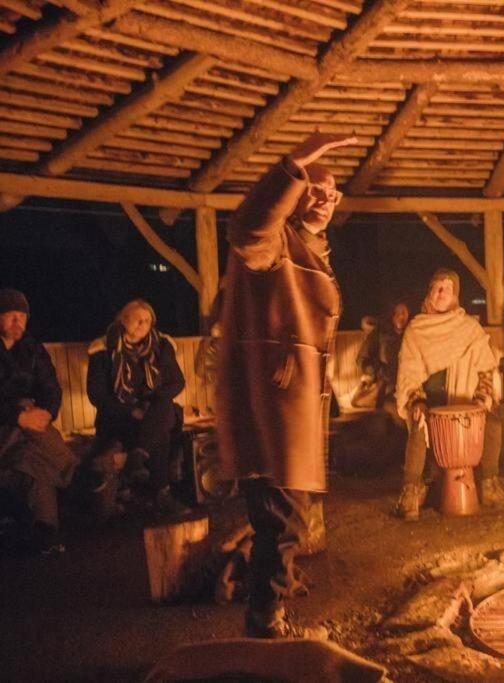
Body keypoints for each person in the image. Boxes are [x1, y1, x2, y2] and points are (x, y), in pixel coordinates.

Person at [216, 131, 357, 639]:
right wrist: (293, 165)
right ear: (293, 195)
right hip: (269, 408)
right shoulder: (276, 241)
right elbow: (247, 231)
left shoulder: (314, 249)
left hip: (293, 407)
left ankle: (253, 588)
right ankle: (264, 620)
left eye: (332, 192)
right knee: (285, 521)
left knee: (282, 519)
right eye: (313, 189)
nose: (323, 198)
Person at [394, 269, 504, 521]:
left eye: (447, 289)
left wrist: (482, 398)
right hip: (430, 402)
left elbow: (486, 369)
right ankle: (410, 493)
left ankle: (490, 485)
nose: (441, 293)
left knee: (492, 422)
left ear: (455, 296)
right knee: (419, 422)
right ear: (429, 292)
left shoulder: (469, 327)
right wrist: (417, 399)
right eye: (437, 288)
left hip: (464, 403)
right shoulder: (416, 329)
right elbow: (408, 373)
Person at [86, 299, 187, 515]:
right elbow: (97, 395)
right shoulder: (104, 349)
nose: (143, 324)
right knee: (160, 432)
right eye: (138, 319)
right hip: (119, 415)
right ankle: (161, 494)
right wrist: (131, 410)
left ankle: (138, 457)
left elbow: (177, 381)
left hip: (154, 409)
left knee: (163, 409)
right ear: (123, 320)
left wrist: (151, 403)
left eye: (148, 320)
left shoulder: (161, 345)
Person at [0, 288, 79, 552]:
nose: (17, 322)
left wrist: (46, 412)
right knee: (32, 447)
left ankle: (45, 530)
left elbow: (51, 387)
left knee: (32, 466)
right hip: (5, 424)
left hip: (30, 428)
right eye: (11, 316)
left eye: (22, 317)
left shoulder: (31, 348)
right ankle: (72, 472)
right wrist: (19, 416)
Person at [355, 300, 409, 416]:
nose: (400, 316)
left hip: (408, 385)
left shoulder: (413, 333)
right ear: (391, 315)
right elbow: (362, 359)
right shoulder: (380, 333)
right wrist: (375, 370)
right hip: (386, 386)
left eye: (403, 312)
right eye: (396, 313)